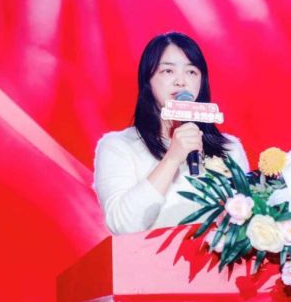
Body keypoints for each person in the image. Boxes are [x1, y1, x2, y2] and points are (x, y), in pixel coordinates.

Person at [93, 32, 249, 234]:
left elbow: (244, 226)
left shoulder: (229, 148)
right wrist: (173, 158)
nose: (181, 81)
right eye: (168, 71)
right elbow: (123, 226)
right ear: (148, 80)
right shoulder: (118, 147)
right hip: (151, 255)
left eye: (191, 72)